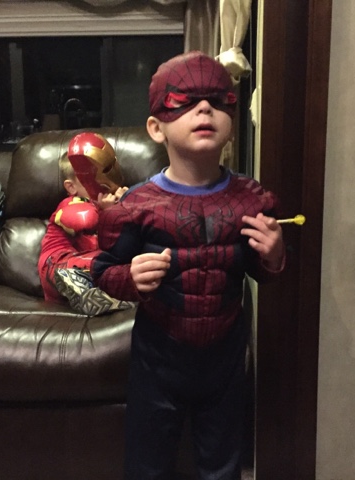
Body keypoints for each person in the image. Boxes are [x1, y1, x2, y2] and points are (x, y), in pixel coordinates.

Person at [92, 51, 286, 480]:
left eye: (218, 100)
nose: (204, 109)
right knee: (147, 462)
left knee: (223, 462)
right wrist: (131, 278)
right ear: (156, 127)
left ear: (231, 120)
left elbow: (260, 269)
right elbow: (103, 270)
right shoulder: (134, 206)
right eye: (184, 101)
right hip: (158, 355)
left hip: (226, 355)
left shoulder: (252, 200)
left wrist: (273, 255)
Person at [38, 145, 133, 316]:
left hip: (90, 270)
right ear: (71, 187)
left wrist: (129, 205)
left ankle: (101, 297)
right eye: (91, 178)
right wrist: (106, 210)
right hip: (57, 264)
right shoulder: (70, 203)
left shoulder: (113, 204)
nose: (100, 182)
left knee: (116, 264)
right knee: (94, 264)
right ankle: (90, 292)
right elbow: (84, 220)